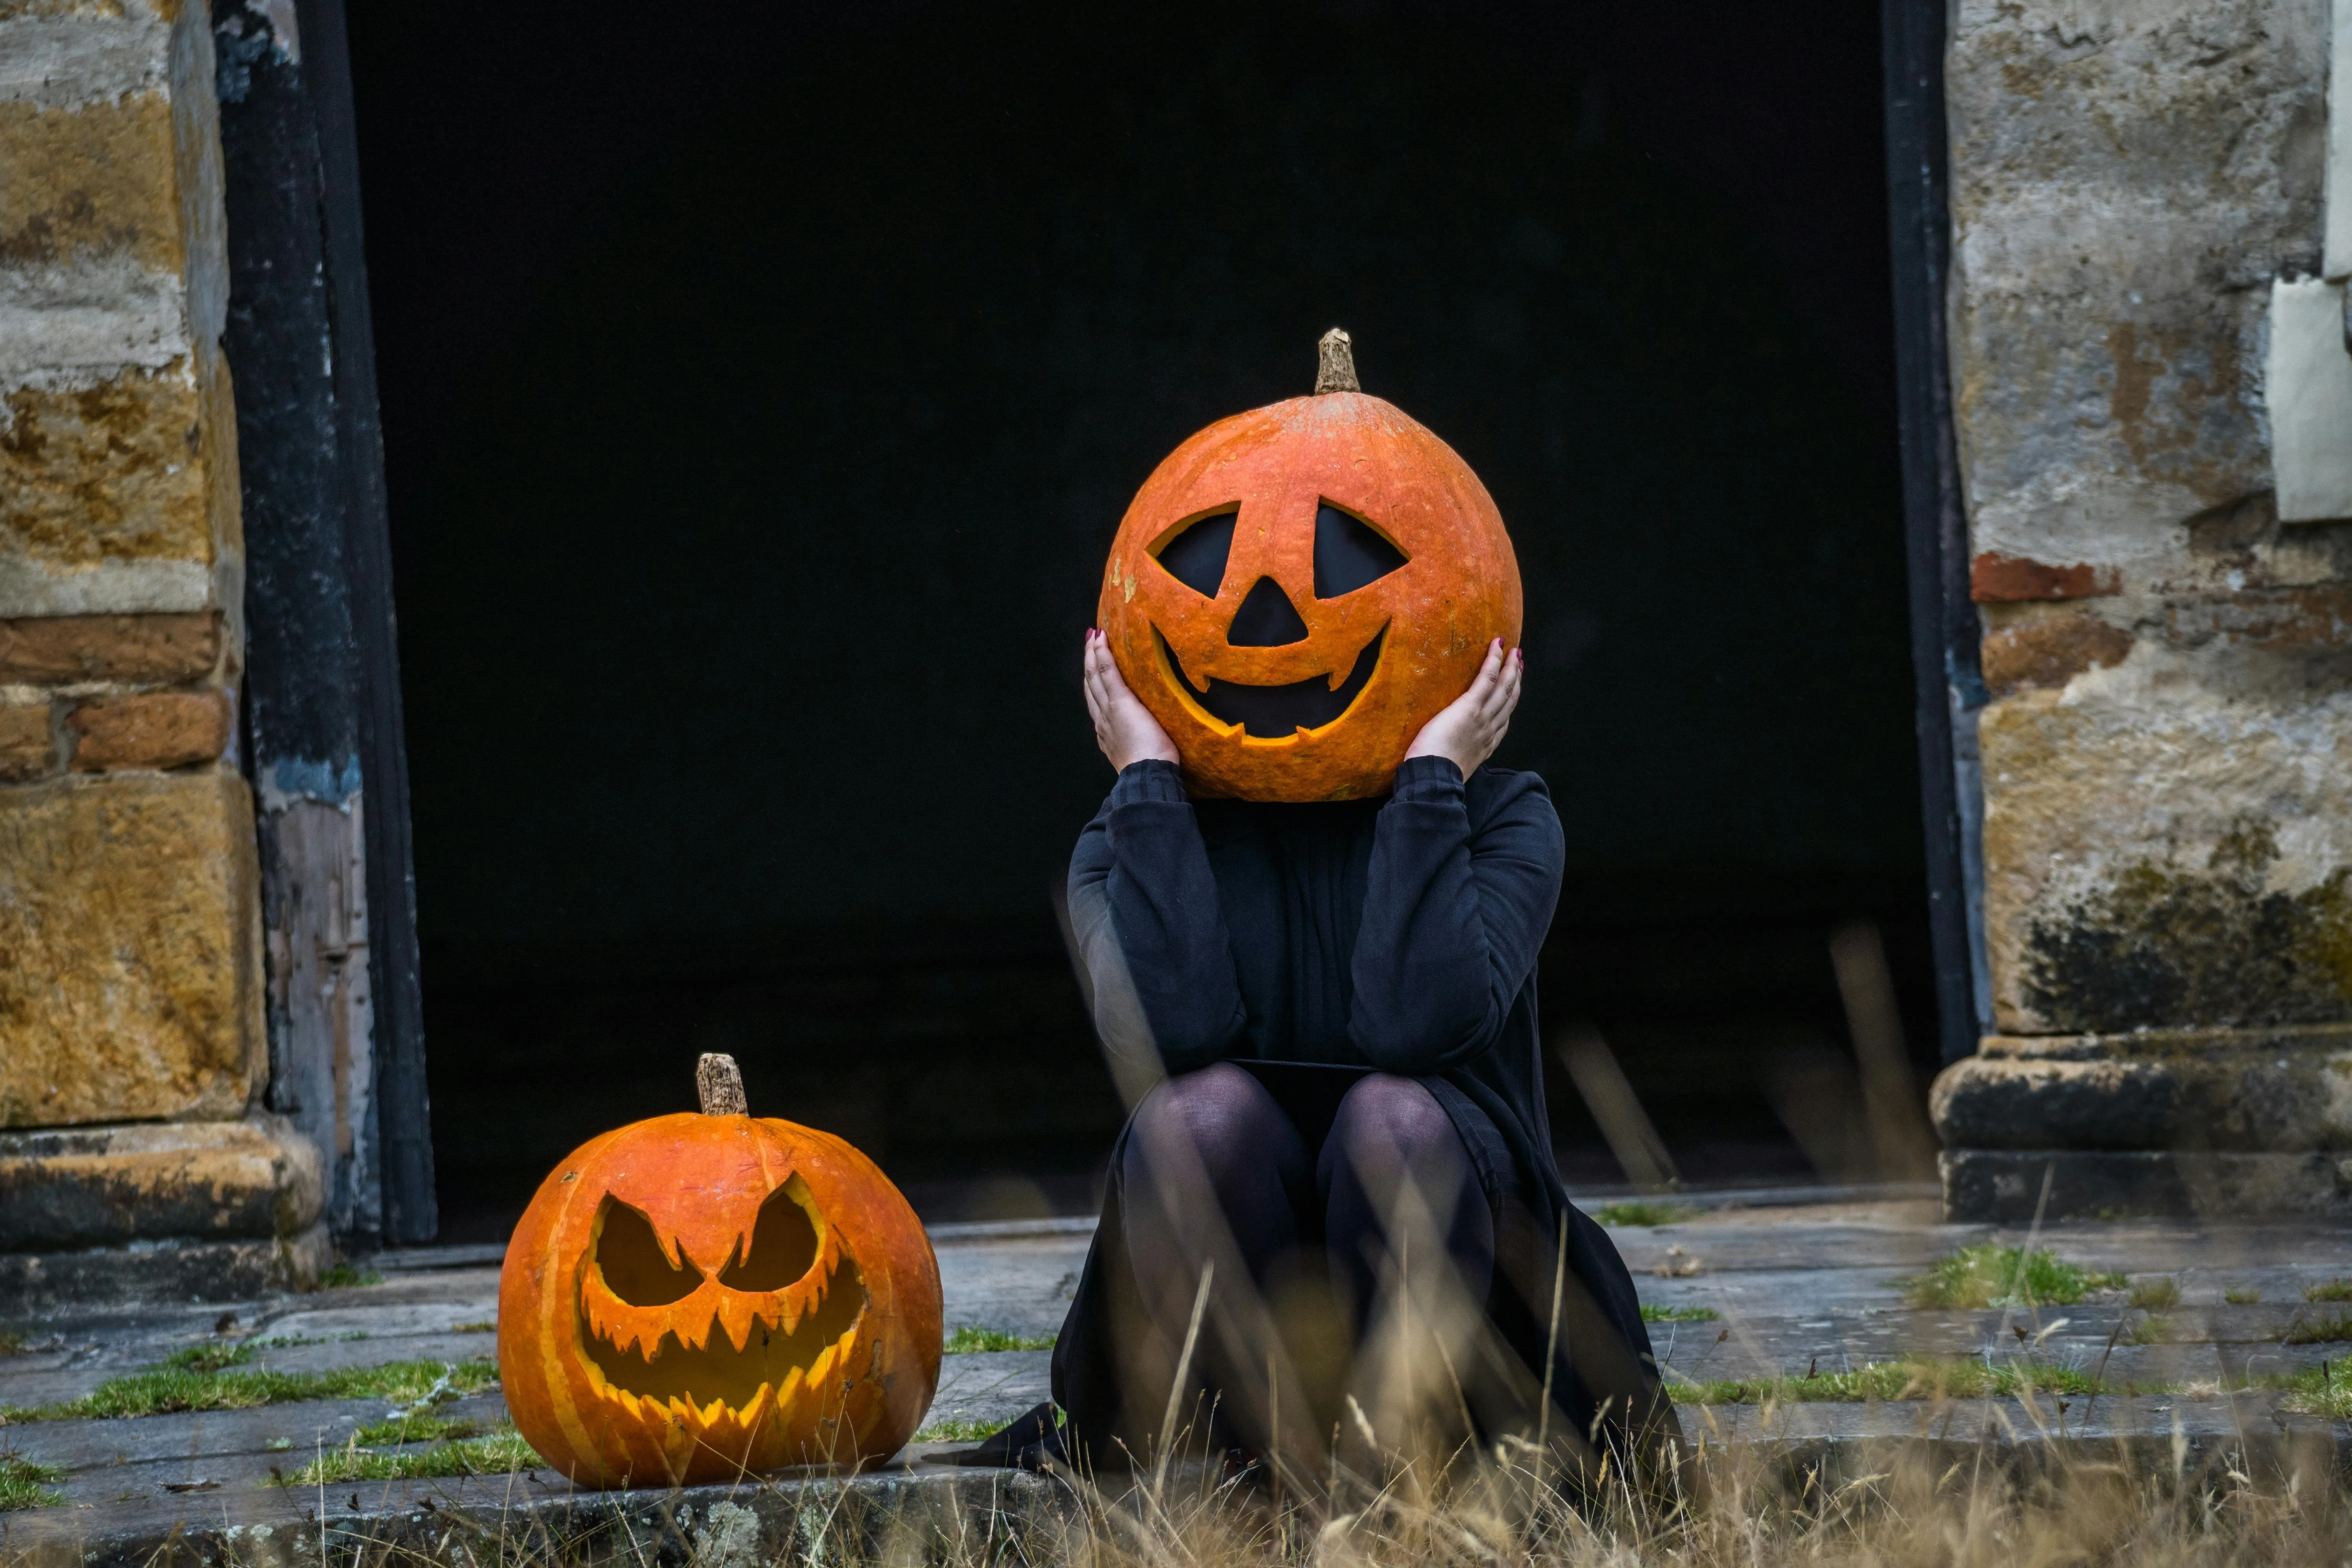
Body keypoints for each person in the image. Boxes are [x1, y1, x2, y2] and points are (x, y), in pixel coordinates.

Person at [961, 632, 1676, 1486]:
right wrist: (1147, 782)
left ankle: (1403, 1467)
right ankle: (1272, 1461)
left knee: (1395, 1119)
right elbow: (1167, 1041)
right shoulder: (1127, 837)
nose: (1284, 630)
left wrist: (1430, 780)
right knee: (1199, 1119)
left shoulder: (1503, 814)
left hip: (1457, 1263)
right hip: (1225, 1298)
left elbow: (1418, 1026)